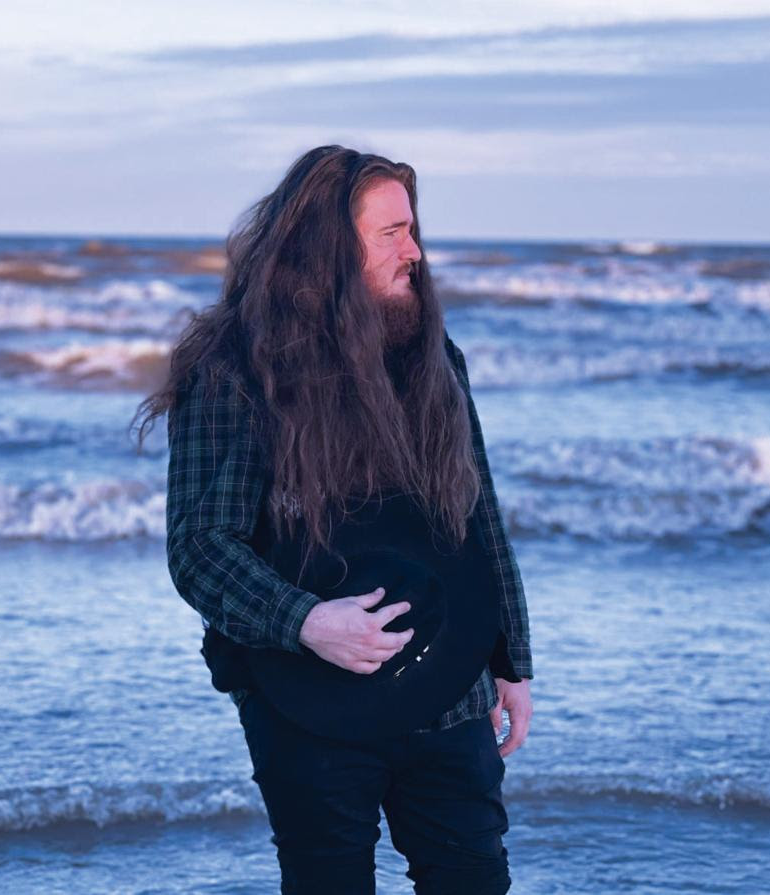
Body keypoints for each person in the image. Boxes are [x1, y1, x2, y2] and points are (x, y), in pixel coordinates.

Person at [133, 145, 533, 894]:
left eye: (413, 230)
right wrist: (309, 622)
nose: (415, 253)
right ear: (329, 247)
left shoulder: (433, 355)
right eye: (392, 234)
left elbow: (476, 509)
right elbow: (200, 546)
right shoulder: (236, 368)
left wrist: (511, 659)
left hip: (450, 680)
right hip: (302, 696)